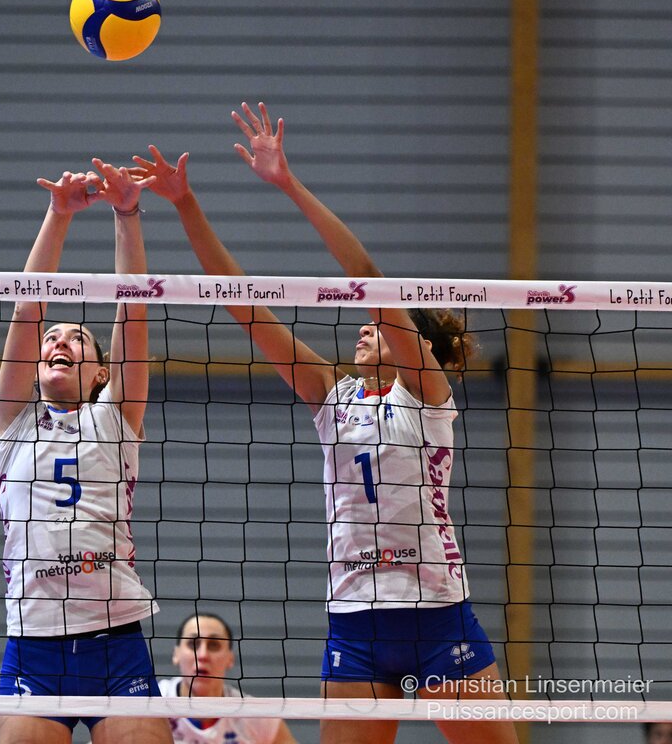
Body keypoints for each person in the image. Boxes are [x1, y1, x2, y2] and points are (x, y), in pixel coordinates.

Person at [130, 103, 518, 744]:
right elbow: (243, 304)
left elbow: (365, 277)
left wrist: (288, 183)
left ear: (415, 343)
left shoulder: (427, 395)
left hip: (436, 614)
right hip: (355, 622)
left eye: (379, 325)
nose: (365, 327)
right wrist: (185, 203)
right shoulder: (332, 397)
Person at [0, 161, 170, 744]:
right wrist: (58, 214)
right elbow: (27, 308)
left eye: (77, 339)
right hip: (33, 643)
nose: (58, 341)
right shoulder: (14, 424)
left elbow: (133, 311)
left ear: (100, 372)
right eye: (52, 338)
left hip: (114, 638)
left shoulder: (114, 418)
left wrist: (127, 213)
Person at [159, 613, 297, 744]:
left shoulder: (256, 716)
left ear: (230, 658)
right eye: (193, 644)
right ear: (176, 654)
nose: (203, 655)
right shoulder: (155, 700)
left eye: (214, 645)